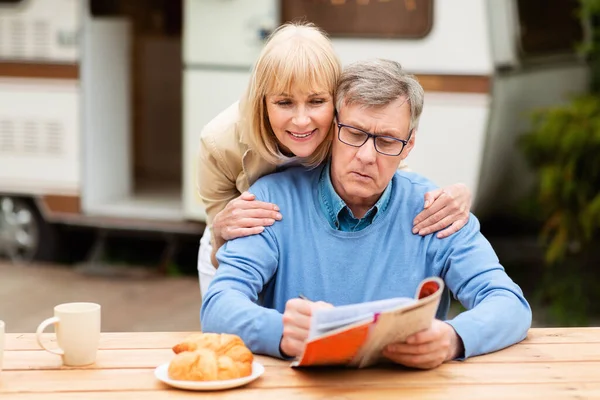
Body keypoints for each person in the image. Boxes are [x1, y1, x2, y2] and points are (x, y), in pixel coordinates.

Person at [201, 59, 532, 369]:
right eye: (355, 134)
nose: (366, 156)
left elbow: (509, 303)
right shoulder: (272, 201)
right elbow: (218, 305)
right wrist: (281, 331)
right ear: (332, 130)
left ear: (410, 144)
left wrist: (453, 338)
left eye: (387, 141)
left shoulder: (435, 210)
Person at [196, 22, 473, 298]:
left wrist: (454, 197)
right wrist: (220, 232)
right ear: (263, 101)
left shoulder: (347, 128)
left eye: (316, 101)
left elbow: (392, 170)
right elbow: (224, 239)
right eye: (284, 103)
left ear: (336, 102)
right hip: (237, 243)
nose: (302, 120)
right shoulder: (219, 143)